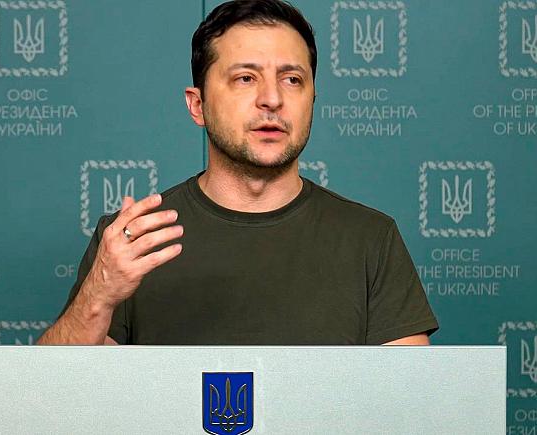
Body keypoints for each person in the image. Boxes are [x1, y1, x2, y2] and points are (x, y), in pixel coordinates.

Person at [38, 0, 437, 346]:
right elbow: (53, 393)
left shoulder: (371, 239)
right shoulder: (134, 240)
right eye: (246, 78)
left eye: (292, 80)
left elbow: (411, 399)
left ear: (312, 99)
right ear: (198, 105)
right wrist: (98, 296)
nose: (272, 99)